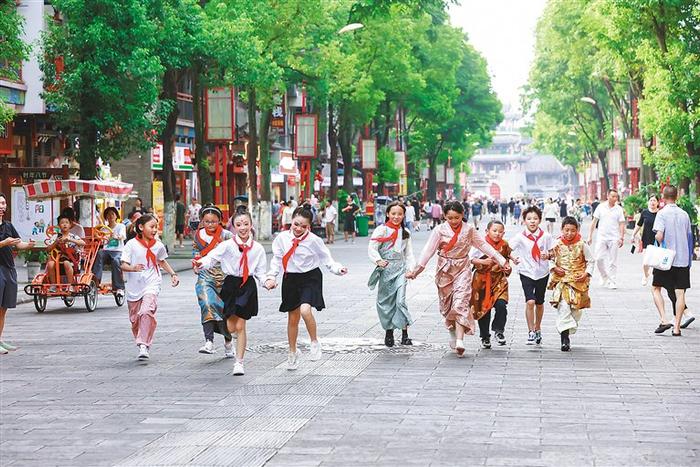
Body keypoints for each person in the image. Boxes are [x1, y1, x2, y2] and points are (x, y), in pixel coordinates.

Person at [407, 202, 509, 357]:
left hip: (463, 268)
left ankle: (460, 340)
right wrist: (417, 270)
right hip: (445, 270)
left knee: (461, 302)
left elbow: (483, 246)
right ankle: (453, 335)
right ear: (444, 216)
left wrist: (502, 261)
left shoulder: (469, 230)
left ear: (463, 215)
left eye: (457, 217)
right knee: (447, 306)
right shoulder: (439, 230)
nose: (454, 221)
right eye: (450, 218)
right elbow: (428, 250)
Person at [265, 207, 348, 370]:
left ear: (309, 226)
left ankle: (314, 341)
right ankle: (292, 352)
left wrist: (338, 269)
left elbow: (327, 259)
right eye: (296, 224)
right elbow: (277, 259)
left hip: (310, 277)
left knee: (305, 310)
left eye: (303, 226)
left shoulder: (314, 240)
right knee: (293, 318)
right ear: (292, 221)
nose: (299, 229)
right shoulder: (281, 238)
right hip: (291, 278)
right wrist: (271, 276)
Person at [194, 211, 267, 376]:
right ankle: (229, 336)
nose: (243, 228)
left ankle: (239, 363)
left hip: (247, 285)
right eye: (239, 225)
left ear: (251, 225)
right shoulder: (227, 245)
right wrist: (201, 263)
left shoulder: (258, 249)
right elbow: (211, 258)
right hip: (230, 285)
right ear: (234, 227)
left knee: (241, 326)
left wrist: (266, 281)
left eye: (246, 224)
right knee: (231, 326)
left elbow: (261, 272)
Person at [120, 214, 179, 360]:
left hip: (152, 283)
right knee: (135, 320)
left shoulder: (158, 245)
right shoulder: (131, 245)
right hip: (134, 287)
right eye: (151, 227)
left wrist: (173, 274)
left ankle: (143, 345)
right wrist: (133, 268)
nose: (154, 230)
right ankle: (141, 341)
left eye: (156, 227)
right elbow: (123, 264)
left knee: (146, 311)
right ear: (141, 227)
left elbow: (161, 261)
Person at [368, 202, 415, 347]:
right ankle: (389, 332)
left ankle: (405, 333)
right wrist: (378, 260)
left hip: (400, 270)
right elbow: (372, 247)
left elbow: (409, 254)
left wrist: (410, 268)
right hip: (386, 270)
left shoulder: (406, 232)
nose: (396, 217)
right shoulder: (381, 230)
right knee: (386, 302)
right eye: (393, 214)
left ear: (403, 215)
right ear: (388, 214)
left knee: (400, 301)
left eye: (399, 214)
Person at [190, 205, 235, 357]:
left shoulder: (227, 236)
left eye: (214, 222)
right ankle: (208, 341)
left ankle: (228, 341)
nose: (210, 224)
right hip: (205, 275)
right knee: (207, 304)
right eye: (207, 221)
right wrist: (196, 263)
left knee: (223, 309)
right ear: (202, 221)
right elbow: (196, 251)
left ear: (219, 221)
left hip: (224, 277)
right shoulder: (198, 235)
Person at [650, 186, 693, 337]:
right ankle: (676, 328)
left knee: (656, 288)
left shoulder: (661, 214)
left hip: (666, 260)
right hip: (682, 259)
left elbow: (659, 236)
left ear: (663, 197)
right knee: (680, 293)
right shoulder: (685, 215)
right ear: (677, 196)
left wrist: (656, 237)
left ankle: (664, 319)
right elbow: (689, 238)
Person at [508, 206, 554, 345]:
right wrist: (512, 258)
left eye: (535, 219)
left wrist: (548, 255)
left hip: (542, 273)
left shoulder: (546, 236)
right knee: (530, 301)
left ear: (540, 220)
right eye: (529, 219)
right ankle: (530, 331)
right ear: (524, 221)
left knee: (539, 303)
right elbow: (507, 249)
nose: (532, 221)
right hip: (526, 272)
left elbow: (553, 252)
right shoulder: (520, 237)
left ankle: (538, 327)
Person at [548, 216, 594, 351]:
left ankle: (567, 329)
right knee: (563, 306)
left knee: (576, 309)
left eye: (572, 230)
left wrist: (586, 274)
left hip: (578, 282)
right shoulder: (556, 244)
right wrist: (555, 268)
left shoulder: (582, 244)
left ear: (577, 230)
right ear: (562, 229)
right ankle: (564, 338)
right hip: (562, 281)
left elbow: (591, 261)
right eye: (566, 230)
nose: (569, 233)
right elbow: (550, 259)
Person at [0, 193, 36, 354]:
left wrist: (28, 245)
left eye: (3, 203)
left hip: (9, 268)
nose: (2, 206)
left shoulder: (8, 225)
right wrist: (4, 243)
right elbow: (8, 243)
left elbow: (18, 244)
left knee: (3, 307)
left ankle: (0, 339)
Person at [470, 220, 512, 349]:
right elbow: (470, 259)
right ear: (487, 231)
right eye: (494, 231)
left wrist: (508, 267)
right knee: (484, 309)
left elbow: (507, 260)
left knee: (501, 305)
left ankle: (499, 330)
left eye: (500, 231)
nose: (497, 234)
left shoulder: (505, 245)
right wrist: (482, 262)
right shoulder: (480, 244)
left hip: (499, 280)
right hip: (481, 281)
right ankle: (485, 336)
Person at [587, 189, 625, 289]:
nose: (614, 198)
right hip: (601, 237)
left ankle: (612, 281)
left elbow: (621, 224)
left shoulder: (619, 209)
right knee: (598, 258)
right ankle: (604, 275)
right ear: (608, 196)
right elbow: (594, 222)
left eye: (616, 197)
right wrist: (590, 236)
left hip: (614, 237)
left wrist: (621, 237)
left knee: (613, 261)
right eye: (612, 196)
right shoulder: (600, 207)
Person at [91, 207, 126, 297]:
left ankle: (119, 287)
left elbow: (122, 236)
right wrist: (97, 236)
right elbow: (99, 237)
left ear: (116, 216)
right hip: (106, 251)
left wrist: (116, 236)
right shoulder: (104, 228)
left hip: (118, 251)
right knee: (99, 253)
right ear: (106, 217)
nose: (110, 216)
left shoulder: (121, 226)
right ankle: (96, 281)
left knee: (116, 261)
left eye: (112, 214)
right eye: (108, 214)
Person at [46, 214, 86, 289]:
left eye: (66, 222)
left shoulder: (73, 236)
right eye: (62, 223)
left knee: (66, 263)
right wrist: (56, 242)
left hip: (72, 260)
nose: (64, 224)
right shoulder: (55, 237)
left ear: (70, 225)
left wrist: (70, 240)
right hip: (57, 260)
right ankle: (53, 285)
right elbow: (48, 249)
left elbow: (83, 243)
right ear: (59, 226)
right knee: (50, 264)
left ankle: (70, 285)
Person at [632, 195, 660, 286]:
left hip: (657, 240)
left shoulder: (660, 214)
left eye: (654, 200)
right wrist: (633, 235)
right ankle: (645, 275)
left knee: (655, 261)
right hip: (646, 239)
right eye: (651, 200)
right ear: (648, 202)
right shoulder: (645, 213)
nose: (652, 202)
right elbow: (639, 225)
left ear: (657, 203)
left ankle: (656, 279)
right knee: (645, 262)